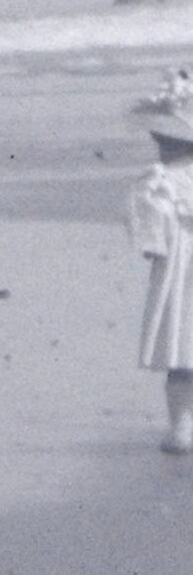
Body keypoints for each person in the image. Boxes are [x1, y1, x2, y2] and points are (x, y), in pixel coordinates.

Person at [129, 68, 193, 453]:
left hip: (180, 273)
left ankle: (183, 428)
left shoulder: (157, 180)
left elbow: (149, 239)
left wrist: (153, 245)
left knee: (181, 352)